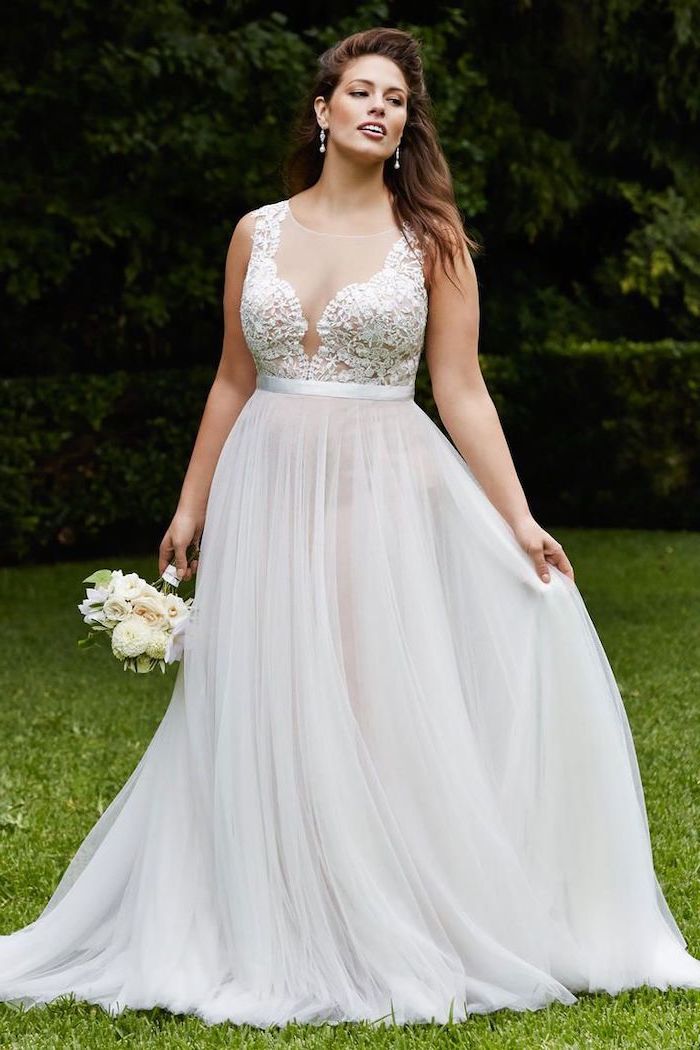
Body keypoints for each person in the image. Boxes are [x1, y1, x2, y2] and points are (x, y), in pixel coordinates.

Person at [1, 26, 699, 1029]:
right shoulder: (257, 231)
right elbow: (233, 377)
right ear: (322, 112)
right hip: (264, 483)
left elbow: (460, 392)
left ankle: (377, 912)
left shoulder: (434, 244)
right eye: (361, 92)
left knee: (369, 693)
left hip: (382, 486)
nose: (380, 108)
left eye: (398, 100)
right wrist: (192, 502)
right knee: (260, 687)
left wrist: (519, 517)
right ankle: (256, 907)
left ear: (407, 128)